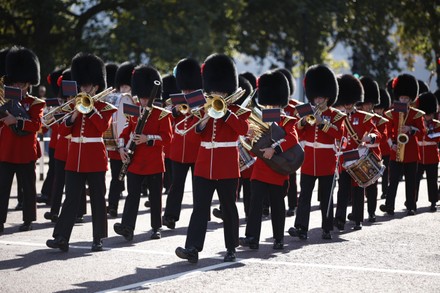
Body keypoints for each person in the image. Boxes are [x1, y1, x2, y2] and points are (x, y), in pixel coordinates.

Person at [175, 53, 250, 263]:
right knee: (199, 207)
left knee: (228, 207)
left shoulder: (237, 111)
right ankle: (192, 247)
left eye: (221, 90)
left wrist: (226, 114)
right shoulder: (203, 109)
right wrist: (204, 119)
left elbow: (244, 129)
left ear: (228, 89)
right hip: (204, 164)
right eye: (214, 89)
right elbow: (191, 134)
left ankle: (231, 247)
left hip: (227, 164)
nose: (217, 93)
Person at [46, 52, 117, 252]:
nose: (84, 88)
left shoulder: (105, 107)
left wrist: (91, 109)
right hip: (74, 157)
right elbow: (62, 130)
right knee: (70, 199)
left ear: (96, 86)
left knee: (97, 198)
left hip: (94, 157)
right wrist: (75, 114)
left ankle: (98, 238)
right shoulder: (73, 104)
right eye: (83, 85)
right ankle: (61, 237)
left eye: (88, 85)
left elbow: (103, 127)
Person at [239, 70, 299, 250]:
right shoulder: (258, 118)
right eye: (268, 103)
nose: (271, 106)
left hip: (278, 169)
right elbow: (252, 143)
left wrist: (275, 149)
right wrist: (248, 137)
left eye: (274, 103)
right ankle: (251, 238)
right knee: (255, 205)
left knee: (277, 207)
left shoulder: (287, 120)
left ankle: (279, 238)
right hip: (260, 169)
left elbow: (293, 139)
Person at [113, 65, 172, 241]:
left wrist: (148, 138)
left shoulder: (162, 115)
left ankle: (156, 227)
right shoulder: (134, 110)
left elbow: (167, 138)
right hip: (136, 160)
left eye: (147, 98)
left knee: (155, 197)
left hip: (154, 161)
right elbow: (124, 132)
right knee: (132, 196)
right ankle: (127, 227)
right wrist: (122, 147)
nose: (144, 101)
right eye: (142, 98)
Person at [288, 64, 345, 240]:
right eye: (316, 97)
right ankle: (301, 228)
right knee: (304, 197)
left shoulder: (336, 115)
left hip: (326, 161)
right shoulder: (306, 112)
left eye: (321, 98)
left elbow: (339, 134)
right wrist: (304, 122)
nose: (318, 101)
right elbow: (297, 131)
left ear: (328, 98)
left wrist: (322, 123)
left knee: (326, 198)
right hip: (308, 160)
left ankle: (327, 228)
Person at [0, 46, 45, 233]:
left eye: (22, 83)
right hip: (6, 150)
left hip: (26, 152)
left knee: (28, 189)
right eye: (16, 83)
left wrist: (15, 120)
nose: (18, 86)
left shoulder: (36, 103)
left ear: (29, 84)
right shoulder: (3, 100)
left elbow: (36, 125)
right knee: (2, 189)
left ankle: (28, 220)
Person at [162, 58, 202, 229]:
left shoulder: (202, 99)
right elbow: (168, 118)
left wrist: (195, 111)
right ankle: (170, 215)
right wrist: (176, 112)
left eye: (188, 87)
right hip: (179, 149)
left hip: (197, 149)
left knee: (198, 186)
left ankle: (202, 213)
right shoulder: (177, 100)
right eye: (184, 87)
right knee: (176, 184)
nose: (186, 90)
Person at [43, 68, 87, 223]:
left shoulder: (83, 107)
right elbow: (57, 129)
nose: (70, 97)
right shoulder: (63, 108)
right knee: (58, 180)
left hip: (76, 148)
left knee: (77, 183)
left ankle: (80, 211)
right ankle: (54, 211)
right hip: (63, 149)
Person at [380, 74, 426, 216]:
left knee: (410, 182)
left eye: (407, 98)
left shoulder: (417, 114)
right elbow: (386, 131)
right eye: (402, 98)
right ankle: (389, 206)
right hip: (396, 150)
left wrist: (411, 129)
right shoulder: (391, 113)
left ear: (410, 99)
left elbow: (422, 132)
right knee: (392, 181)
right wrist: (390, 144)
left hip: (411, 151)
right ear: (398, 97)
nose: (404, 100)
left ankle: (411, 206)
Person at [351, 76, 383, 223]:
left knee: (371, 186)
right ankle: (356, 213)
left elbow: (381, 135)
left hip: (373, 154)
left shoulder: (376, 118)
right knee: (357, 184)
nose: (368, 106)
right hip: (358, 155)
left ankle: (371, 212)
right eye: (366, 104)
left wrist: (370, 138)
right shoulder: (355, 116)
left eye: (370, 104)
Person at [106, 61, 135, 218]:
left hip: (132, 145)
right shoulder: (116, 100)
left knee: (132, 180)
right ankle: (112, 206)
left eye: (127, 87)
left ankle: (129, 211)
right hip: (117, 143)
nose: (124, 90)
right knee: (116, 178)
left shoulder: (136, 103)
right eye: (122, 87)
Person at [36, 68, 64, 205]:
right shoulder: (53, 103)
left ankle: (51, 196)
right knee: (53, 170)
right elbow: (45, 126)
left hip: (66, 142)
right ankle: (48, 195)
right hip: (55, 143)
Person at [275, 67, 299, 217]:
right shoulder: (271, 108)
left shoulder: (295, 106)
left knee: (292, 176)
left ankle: (292, 204)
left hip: (291, 146)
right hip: (275, 144)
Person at [415, 92, 439, 212]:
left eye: (429, 114)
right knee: (415, 180)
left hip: (432, 156)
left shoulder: (437, 124)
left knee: (432, 180)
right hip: (419, 156)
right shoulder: (419, 124)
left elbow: (438, 137)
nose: (427, 117)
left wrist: (428, 133)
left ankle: (433, 201)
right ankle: (412, 201)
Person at [374, 88, 392, 200]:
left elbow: (387, 134)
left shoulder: (387, 117)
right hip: (374, 150)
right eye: (377, 108)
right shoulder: (370, 117)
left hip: (385, 149)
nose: (378, 110)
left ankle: (385, 191)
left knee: (385, 174)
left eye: (380, 108)